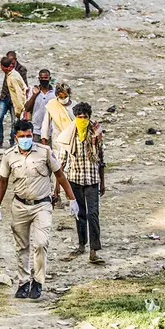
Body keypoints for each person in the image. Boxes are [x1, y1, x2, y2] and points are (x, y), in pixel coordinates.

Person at [0, 120, 80, 299]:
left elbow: (60, 176)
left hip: (42, 205)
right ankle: (23, 282)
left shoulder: (45, 152)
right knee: (21, 246)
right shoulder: (9, 155)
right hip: (20, 205)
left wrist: (72, 199)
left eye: (29, 136)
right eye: (22, 136)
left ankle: (38, 282)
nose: (26, 139)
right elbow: (2, 182)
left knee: (41, 243)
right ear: (15, 137)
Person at [56, 102, 105, 265]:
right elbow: (61, 163)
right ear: (75, 117)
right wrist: (57, 188)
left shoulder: (96, 133)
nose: (82, 120)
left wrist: (102, 182)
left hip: (92, 179)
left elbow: (101, 159)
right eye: (79, 117)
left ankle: (94, 248)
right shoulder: (68, 134)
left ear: (89, 117)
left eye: (85, 117)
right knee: (79, 214)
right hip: (75, 179)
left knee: (93, 214)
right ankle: (81, 243)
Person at [0, 56, 27, 149]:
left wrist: (20, 109)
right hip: (5, 98)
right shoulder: (10, 74)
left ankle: (12, 142)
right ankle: (0, 140)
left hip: (15, 103)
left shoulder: (13, 76)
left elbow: (19, 93)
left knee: (14, 123)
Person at [41, 82, 74, 151]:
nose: (63, 99)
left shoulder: (74, 105)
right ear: (57, 96)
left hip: (72, 137)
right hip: (58, 138)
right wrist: (44, 137)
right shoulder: (52, 105)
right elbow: (45, 123)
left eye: (65, 96)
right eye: (61, 97)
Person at [25, 69, 55, 142]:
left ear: (49, 79)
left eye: (46, 78)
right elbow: (27, 108)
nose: (44, 80)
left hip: (50, 130)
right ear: (39, 79)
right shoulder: (33, 91)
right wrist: (35, 95)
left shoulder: (54, 93)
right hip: (36, 129)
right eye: (42, 78)